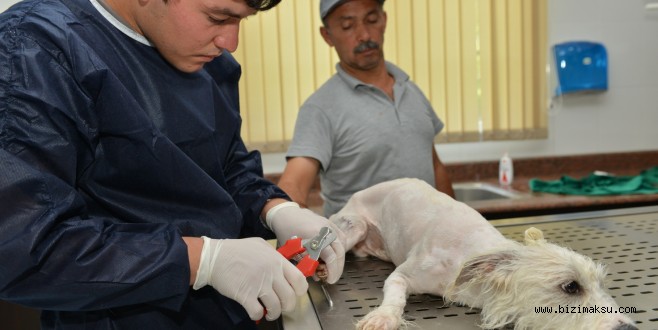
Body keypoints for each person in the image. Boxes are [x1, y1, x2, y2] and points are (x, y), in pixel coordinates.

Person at [0, 0, 346, 329]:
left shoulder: (207, 61)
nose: (230, 42)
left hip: (227, 314)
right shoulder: (34, 50)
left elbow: (228, 171)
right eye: (217, 17)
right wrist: (203, 260)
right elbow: (24, 248)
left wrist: (276, 210)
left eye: (241, 20)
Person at [277, 0, 455, 217]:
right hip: (362, 249)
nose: (364, 35)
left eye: (371, 20)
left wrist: (458, 222)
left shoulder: (410, 90)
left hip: (426, 243)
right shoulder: (319, 109)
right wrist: (293, 224)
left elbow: (434, 166)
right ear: (327, 36)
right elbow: (293, 185)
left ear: (384, 20)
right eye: (347, 26)